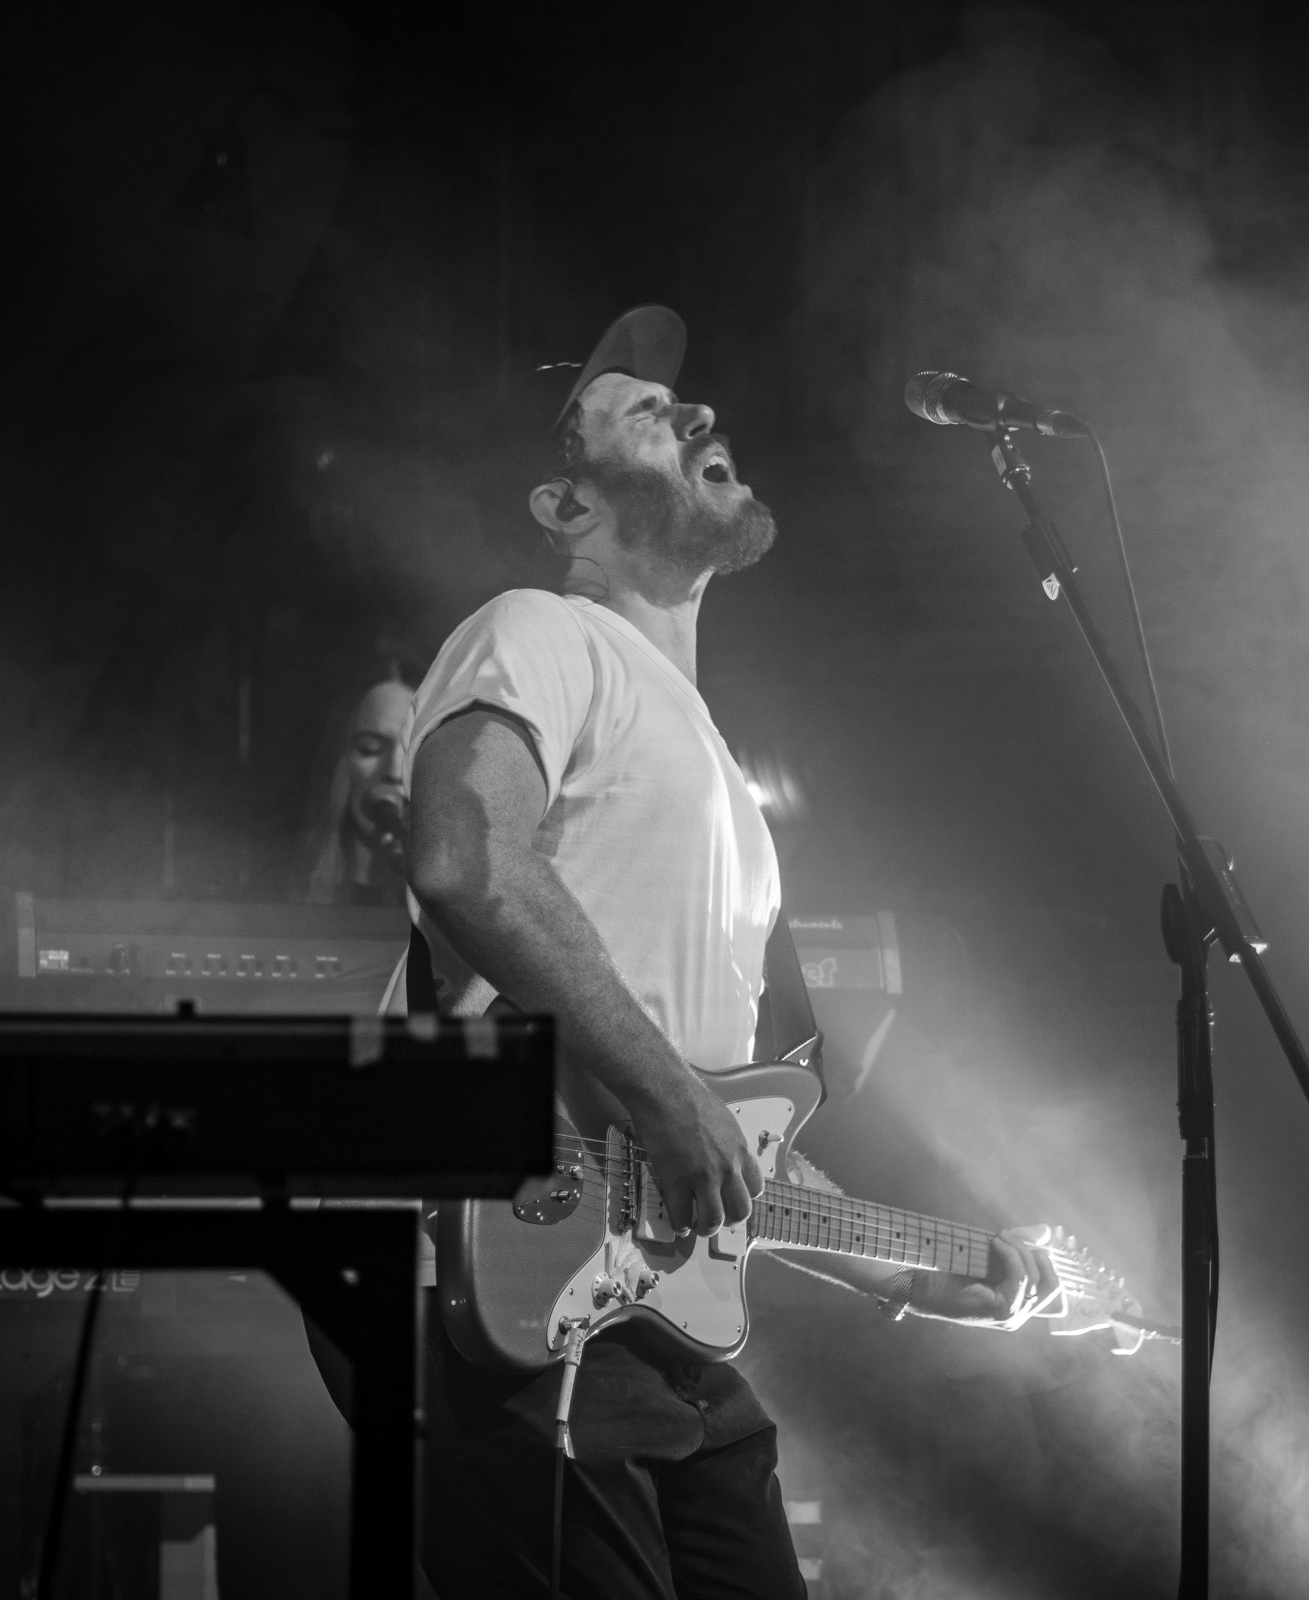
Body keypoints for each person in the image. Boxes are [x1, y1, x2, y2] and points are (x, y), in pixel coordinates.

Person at [395, 307, 1057, 1599]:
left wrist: (927, 1269)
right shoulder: (539, 631)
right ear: (565, 502)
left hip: (661, 1337)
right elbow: (467, 858)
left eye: (693, 406)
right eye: (647, 412)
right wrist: (657, 1091)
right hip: (528, 1302)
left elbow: (722, 1135)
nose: (701, 416)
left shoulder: (730, 801)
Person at [305, 661, 418, 906]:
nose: (394, 771)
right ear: (341, 762)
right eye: (371, 748)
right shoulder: (279, 881)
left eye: (412, 749)